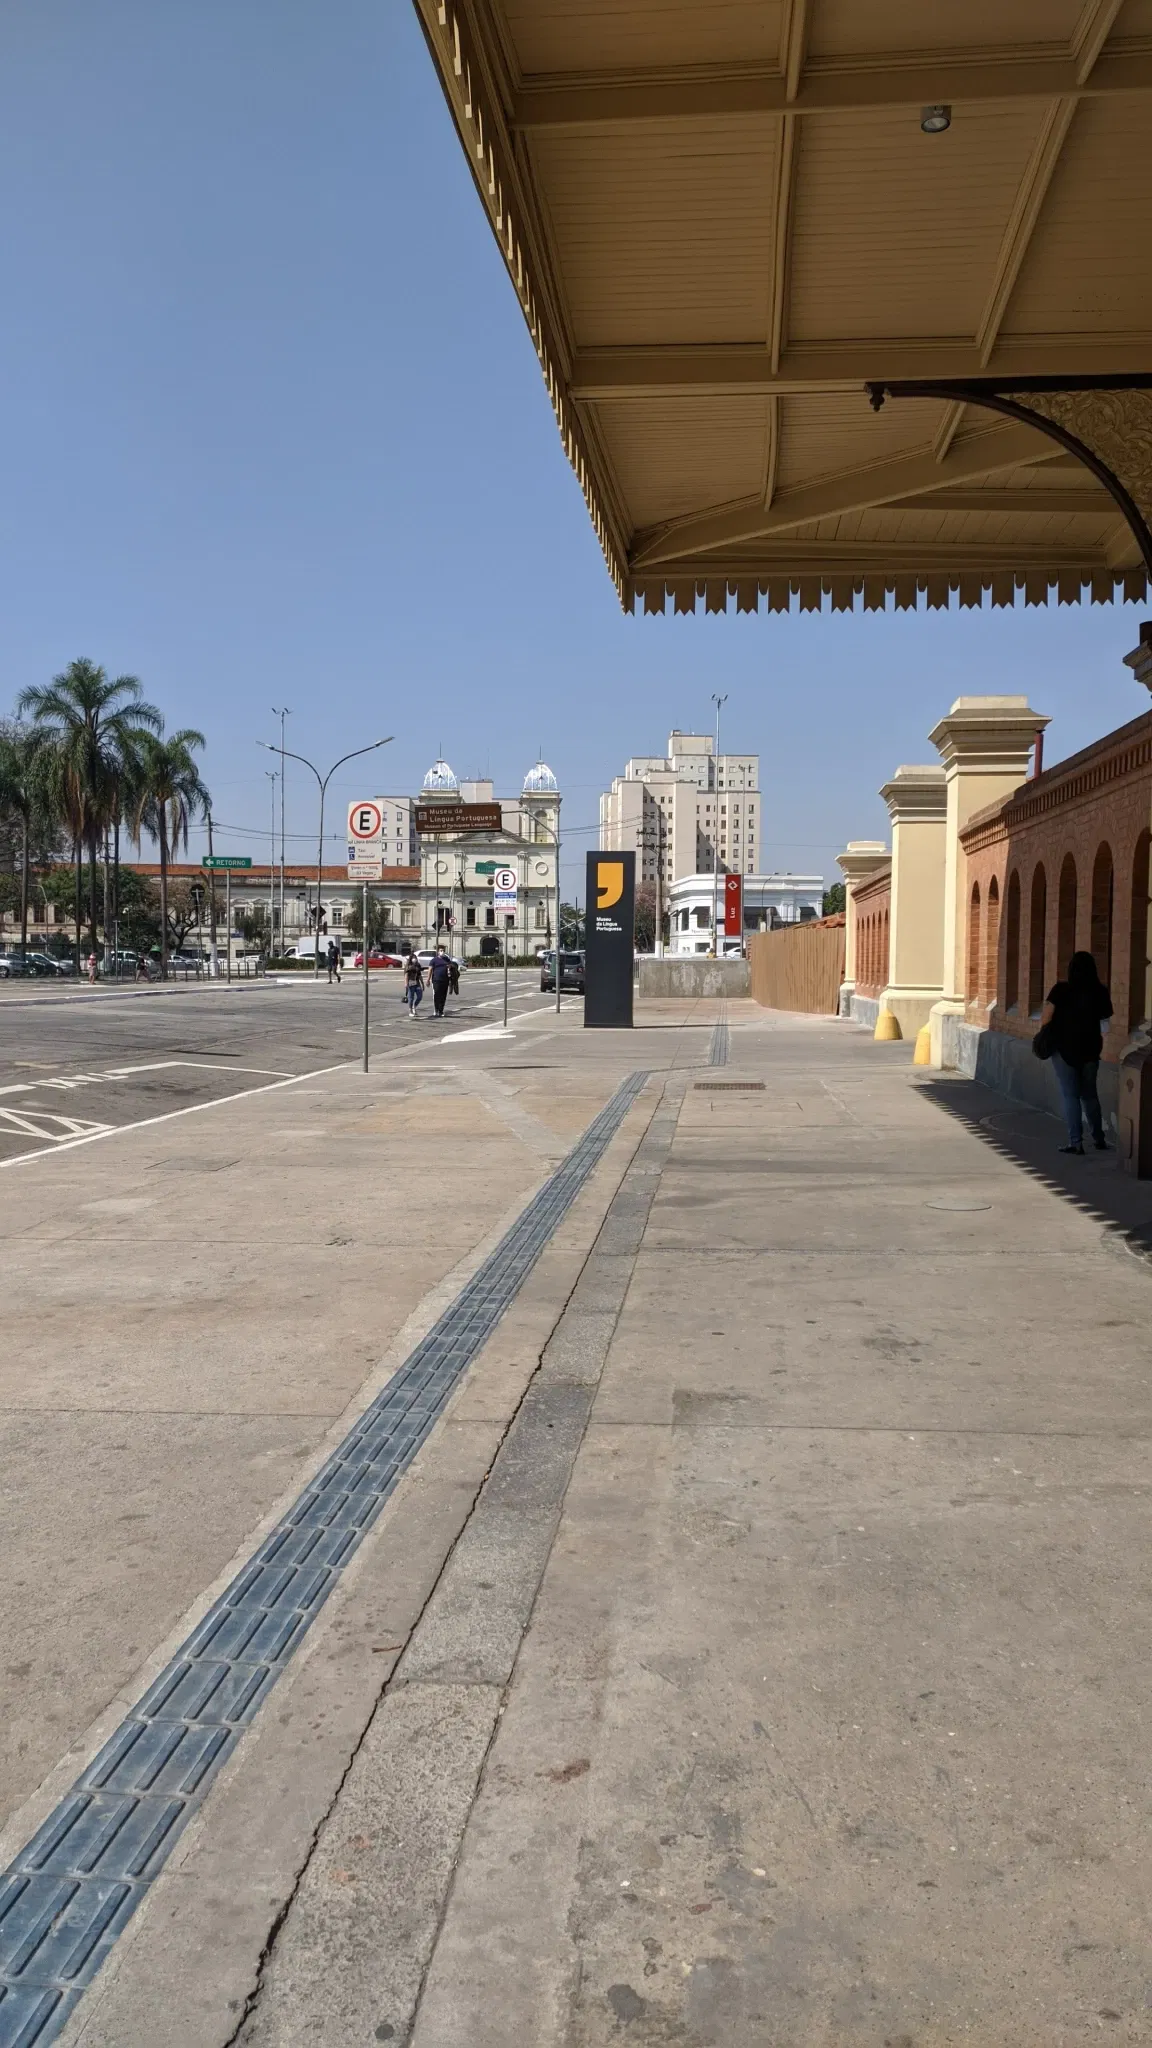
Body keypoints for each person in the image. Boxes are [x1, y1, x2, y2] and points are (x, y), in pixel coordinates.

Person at [1041, 949, 1113, 1154]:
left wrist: (1044, 1033)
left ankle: (1076, 1142)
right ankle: (1099, 1139)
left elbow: (1047, 1016)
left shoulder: (1061, 990)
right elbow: (1106, 1017)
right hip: (1091, 1049)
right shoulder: (1100, 991)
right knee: (1090, 1095)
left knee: (1070, 1095)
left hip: (1064, 1050)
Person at [429, 944, 451, 1018]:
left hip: (445, 980)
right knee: (437, 995)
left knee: (443, 996)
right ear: (438, 952)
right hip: (436, 980)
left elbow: (450, 968)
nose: (442, 952)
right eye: (441, 951)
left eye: (443, 951)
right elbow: (430, 970)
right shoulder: (434, 960)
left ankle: (441, 1011)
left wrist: (450, 967)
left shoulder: (447, 959)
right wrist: (428, 979)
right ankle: (436, 1009)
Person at [404, 951, 424, 1017]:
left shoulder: (418, 965)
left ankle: (414, 1006)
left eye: (415, 958)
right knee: (411, 997)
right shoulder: (408, 966)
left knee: (420, 996)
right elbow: (406, 975)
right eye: (413, 958)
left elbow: (420, 975)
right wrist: (406, 983)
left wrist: (422, 983)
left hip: (417, 983)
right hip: (410, 983)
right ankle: (410, 1011)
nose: (414, 959)